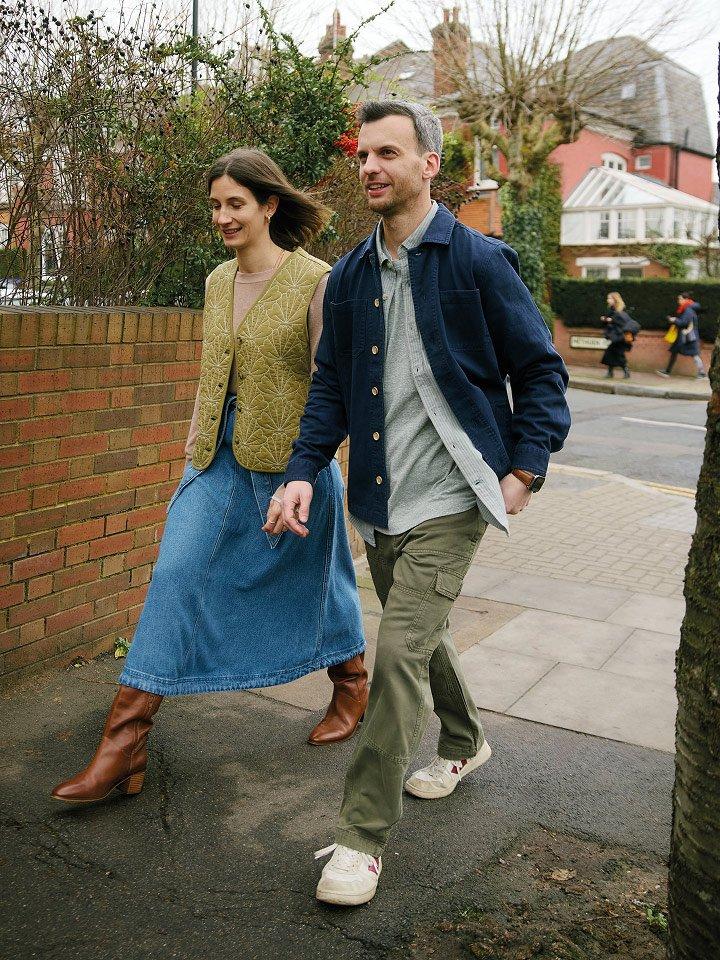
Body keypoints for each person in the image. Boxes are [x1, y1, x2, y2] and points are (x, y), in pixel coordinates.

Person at [277, 100, 571, 905]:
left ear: (429, 164)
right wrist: (305, 467)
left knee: (399, 652)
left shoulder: (479, 261)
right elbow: (331, 383)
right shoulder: (349, 276)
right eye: (363, 155)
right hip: (380, 496)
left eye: (388, 153)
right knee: (424, 632)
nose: (370, 167)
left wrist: (523, 470)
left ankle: (359, 840)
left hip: (454, 496)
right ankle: (467, 740)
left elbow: (542, 375)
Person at [51, 148, 368, 805]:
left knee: (315, 577)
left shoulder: (317, 281)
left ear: (269, 205)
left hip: (291, 468)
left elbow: (332, 385)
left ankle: (352, 682)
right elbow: (212, 373)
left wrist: (311, 469)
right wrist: (193, 447)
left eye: (235, 204)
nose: (222, 217)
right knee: (174, 575)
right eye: (216, 206)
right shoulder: (217, 280)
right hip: (215, 462)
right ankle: (125, 741)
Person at [657, 293, 707, 379]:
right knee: (675, 352)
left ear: (686, 299)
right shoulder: (686, 309)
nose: (678, 301)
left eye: (680, 299)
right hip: (684, 336)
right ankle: (667, 371)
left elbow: (684, 323)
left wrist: (674, 320)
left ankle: (702, 373)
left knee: (694, 354)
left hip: (688, 337)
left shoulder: (688, 310)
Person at [600, 291, 634, 379]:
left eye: (609, 298)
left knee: (617, 354)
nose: (608, 300)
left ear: (615, 299)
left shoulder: (621, 310)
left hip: (621, 336)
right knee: (612, 353)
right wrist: (605, 319)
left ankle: (624, 371)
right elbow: (609, 321)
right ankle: (612, 372)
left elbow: (623, 322)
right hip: (615, 336)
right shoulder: (611, 309)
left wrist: (611, 320)